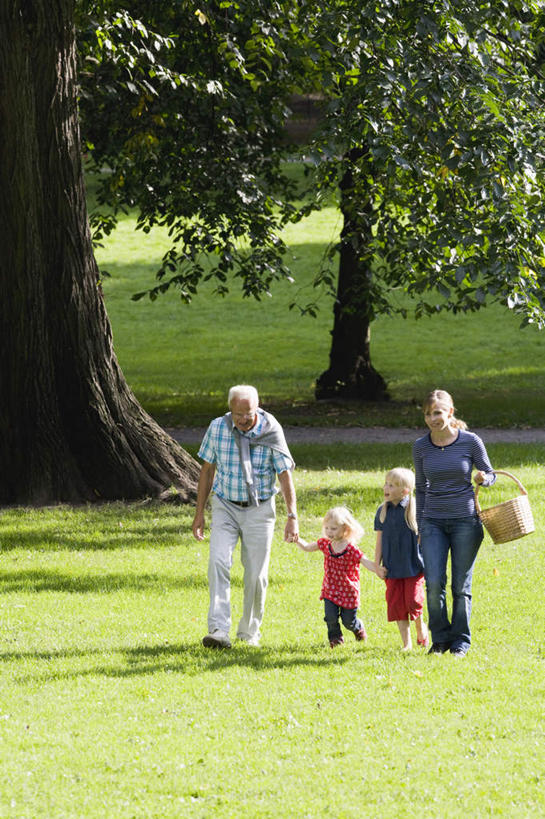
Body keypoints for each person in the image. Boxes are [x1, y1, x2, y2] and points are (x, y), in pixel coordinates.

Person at [192, 385, 297, 649]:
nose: (243, 420)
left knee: (255, 575)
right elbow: (207, 471)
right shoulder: (218, 428)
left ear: (257, 409)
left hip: (260, 508)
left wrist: (292, 515)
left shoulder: (271, 430)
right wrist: (199, 513)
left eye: (248, 414)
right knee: (217, 561)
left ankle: (249, 633)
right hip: (225, 505)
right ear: (230, 410)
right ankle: (218, 629)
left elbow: (284, 474)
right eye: (238, 414)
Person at [413, 389, 495, 658]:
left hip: (465, 522)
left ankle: (461, 641)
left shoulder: (470, 441)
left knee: (461, 585)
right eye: (427, 414)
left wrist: (484, 478)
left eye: (437, 412)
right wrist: (422, 525)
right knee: (434, 582)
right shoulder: (421, 446)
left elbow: (491, 473)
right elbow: (420, 488)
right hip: (433, 522)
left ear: (450, 412)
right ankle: (440, 640)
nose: (432, 418)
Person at [294, 506, 377, 648]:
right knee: (330, 617)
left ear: (345, 529)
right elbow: (308, 547)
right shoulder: (325, 544)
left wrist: (378, 569)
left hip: (348, 592)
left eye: (333, 529)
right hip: (330, 590)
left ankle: (357, 627)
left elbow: (365, 561)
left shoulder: (351, 549)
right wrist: (297, 540)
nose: (329, 532)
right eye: (327, 528)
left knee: (348, 621)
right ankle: (335, 639)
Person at [374, 467, 428, 651]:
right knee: (396, 604)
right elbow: (380, 540)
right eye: (386, 483)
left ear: (405, 490)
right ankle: (407, 643)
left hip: (413, 566)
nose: (386, 488)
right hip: (392, 567)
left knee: (413, 601)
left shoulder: (414, 509)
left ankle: (420, 626)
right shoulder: (383, 511)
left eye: (391, 485)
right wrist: (377, 564)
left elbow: (424, 538)